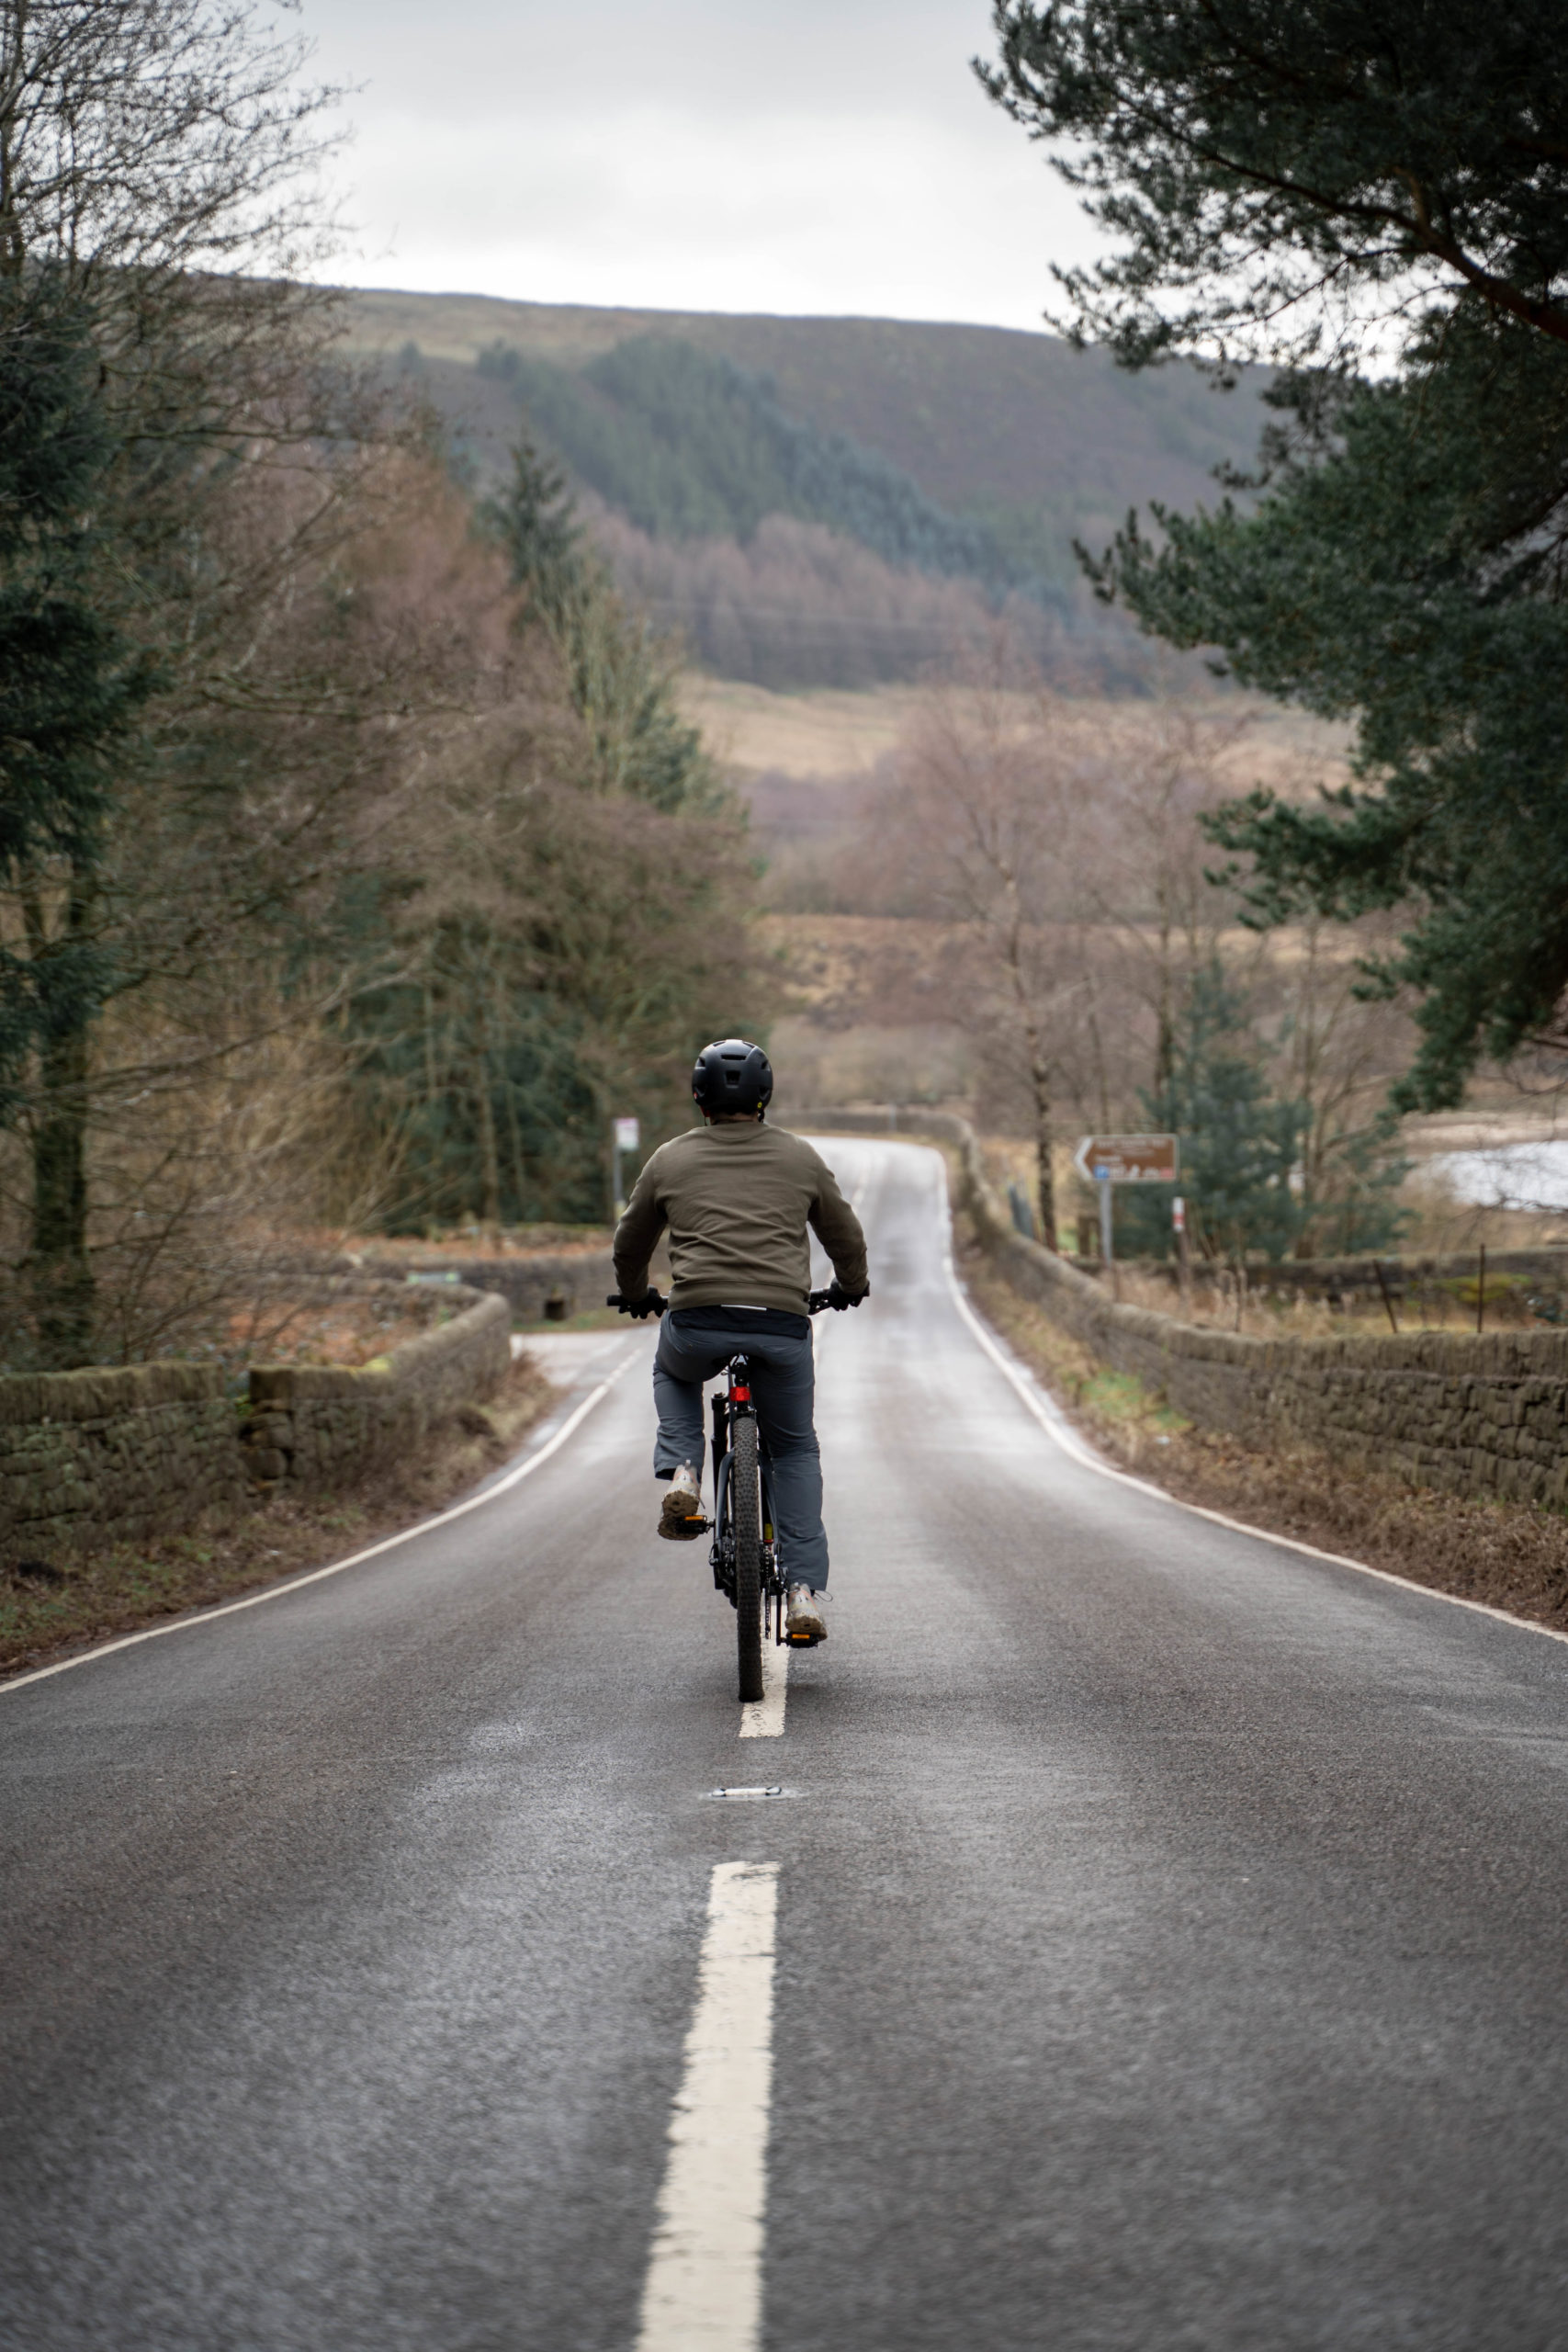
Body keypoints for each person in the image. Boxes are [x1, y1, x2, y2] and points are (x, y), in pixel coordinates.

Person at [611, 1037, 869, 1643]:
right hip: (780, 1325)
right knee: (796, 1450)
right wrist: (849, 1286)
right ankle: (803, 1592)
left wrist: (633, 1292)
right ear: (765, 1097)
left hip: (697, 1319)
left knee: (673, 1372)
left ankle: (683, 1473)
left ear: (698, 1097)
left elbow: (632, 1239)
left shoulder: (668, 1159)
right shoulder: (800, 1158)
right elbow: (845, 1234)